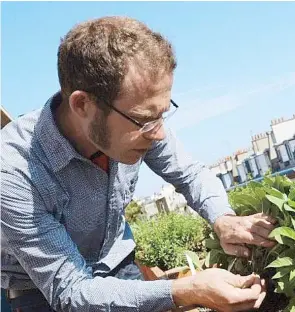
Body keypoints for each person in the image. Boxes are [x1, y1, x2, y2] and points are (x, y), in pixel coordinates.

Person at [1, 16, 277, 312]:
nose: (158, 133)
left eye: (162, 114)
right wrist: (187, 290)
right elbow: (71, 291)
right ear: (82, 105)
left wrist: (223, 218)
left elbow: (189, 174)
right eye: (145, 120)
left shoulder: (136, 117)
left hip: (119, 265)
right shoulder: (15, 171)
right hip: (42, 294)